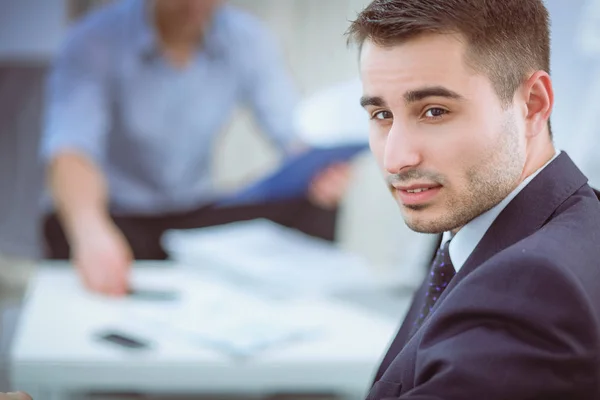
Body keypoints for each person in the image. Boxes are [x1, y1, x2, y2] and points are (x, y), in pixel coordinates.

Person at [347, 0, 600, 398]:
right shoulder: (552, 227)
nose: (396, 159)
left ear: (532, 103)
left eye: (434, 111)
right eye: (381, 115)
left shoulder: (530, 291)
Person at [40, 0, 351, 297]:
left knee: (313, 192)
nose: (195, 5)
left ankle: (314, 302)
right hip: (117, 214)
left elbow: (292, 134)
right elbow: (71, 146)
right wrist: (90, 229)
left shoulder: (247, 38)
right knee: (68, 224)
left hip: (195, 214)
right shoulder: (93, 39)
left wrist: (320, 170)